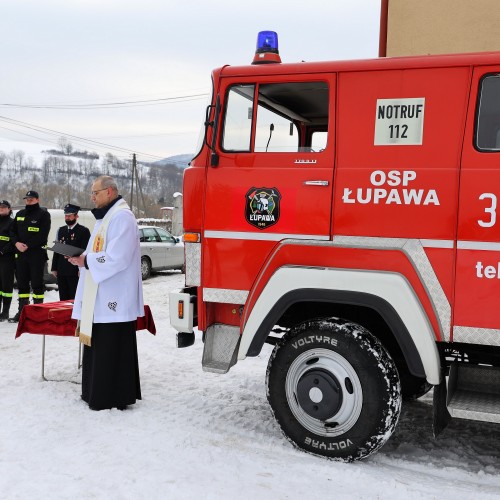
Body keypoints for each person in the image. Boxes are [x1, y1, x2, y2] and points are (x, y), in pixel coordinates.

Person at [69, 175, 143, 411]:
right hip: (100, 293)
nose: (92, 197)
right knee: (100, 345)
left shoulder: (122, 217)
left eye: (96, 192)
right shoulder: (106, 218)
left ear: (110, 191)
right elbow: (97, 251)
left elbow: (117, 257)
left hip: (114, 296)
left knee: (112, 346)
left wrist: (87, 260)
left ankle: (112, 396)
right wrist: (82, 259)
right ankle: (95, 392)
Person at [9, 190, 51, 322]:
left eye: (31, 199)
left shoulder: (43, 214)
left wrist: (27, 245)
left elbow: (43, 234)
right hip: (20, 255)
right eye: (27, 199)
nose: (28, 201)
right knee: (22, 284)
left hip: (36, 255)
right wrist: (16, 243)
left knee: (37, 283)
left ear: (37, 200)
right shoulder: (20, 214)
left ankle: (38, 313)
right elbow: (12, 231)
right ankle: (22, 311)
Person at [51, 204, 91, 301]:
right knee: (63, 298)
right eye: (66, 215)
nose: (67, 218)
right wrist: (54, 268)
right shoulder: (61, 230)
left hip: (75, 271)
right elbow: (57, 250)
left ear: (76, 216)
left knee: (74, 298)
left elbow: (85, 251)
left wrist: (81, 269)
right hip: (62, 269)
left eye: (69, 215)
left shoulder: (83, 231)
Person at [0, 200, 15, 321]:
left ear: (9, 209)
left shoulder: (12, 223)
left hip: (7, 259)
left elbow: (13, 241)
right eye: (0, 207)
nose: (1, 208)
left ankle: (5, 312)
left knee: (6, 286)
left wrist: (3, 250)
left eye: (4, 207)